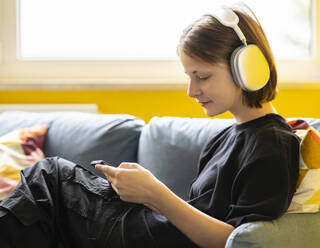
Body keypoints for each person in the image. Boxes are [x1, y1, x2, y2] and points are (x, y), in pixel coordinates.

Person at [0, 3, 300, 248]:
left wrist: (156, 194)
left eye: (202, 76)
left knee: (49, 177)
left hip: (139, 236)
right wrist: (142, 193)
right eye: (189, 76)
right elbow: (198, 217)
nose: (191, 90)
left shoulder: (271, 143)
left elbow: (237, 242)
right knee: (42, 200)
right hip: (142, 228)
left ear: (245, 67)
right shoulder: (227, 138)